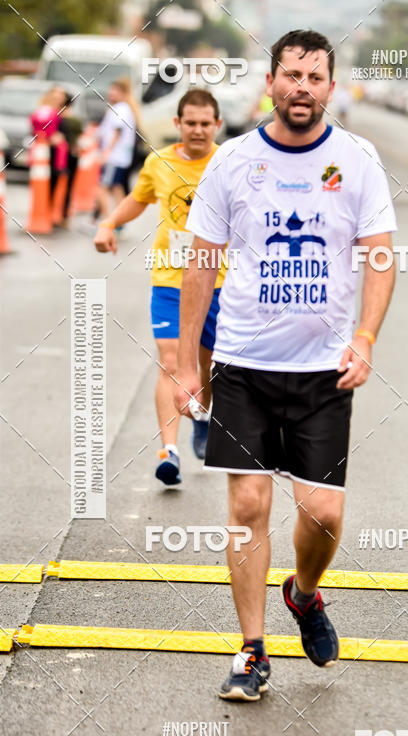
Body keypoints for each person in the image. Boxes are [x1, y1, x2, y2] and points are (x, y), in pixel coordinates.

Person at [175, 29, 397, 702]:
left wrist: (364, 338)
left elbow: (379, 255)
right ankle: (251, 650)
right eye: (291, 75)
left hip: (324, 371)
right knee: (247, 504)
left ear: (330, 86)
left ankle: (303, 593)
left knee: (323, 512)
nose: (302, 87)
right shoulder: (234, 161)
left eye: (314, 77)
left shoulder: (356, 160)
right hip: (243, 361)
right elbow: (200, 263)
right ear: (270, 82)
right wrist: (189, 366)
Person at [94, 89, 226, 485]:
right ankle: (169, 451)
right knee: (170, 362)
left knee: (209, 367)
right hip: (170, 279)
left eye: (206, 124)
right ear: (178, 124)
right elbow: (139, 198)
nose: (198, 130)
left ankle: (202, 416)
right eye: (191, 123)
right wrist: (108, 223)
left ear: (217, 125)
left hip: (219, 282)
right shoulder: (160, 161)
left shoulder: (229, 163)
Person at [95, 78, 139, 220]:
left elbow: (117, 132)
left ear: (124, 93)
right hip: (119, 157)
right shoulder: (123, 108)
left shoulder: (121, 109)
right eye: (111, 90)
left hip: (114, 157)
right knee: (116, 188)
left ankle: (109, 222)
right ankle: (119, 221)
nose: (111, 93)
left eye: (116, 91)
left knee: (102, 189)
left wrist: (106, 152)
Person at [58, 91, 83, 227]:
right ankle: (64, 215)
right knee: (69, 186)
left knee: (60, 184)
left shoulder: (58, 118)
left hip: (61, 155)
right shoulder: (75, 119)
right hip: (72, 154)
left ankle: (61, 214)